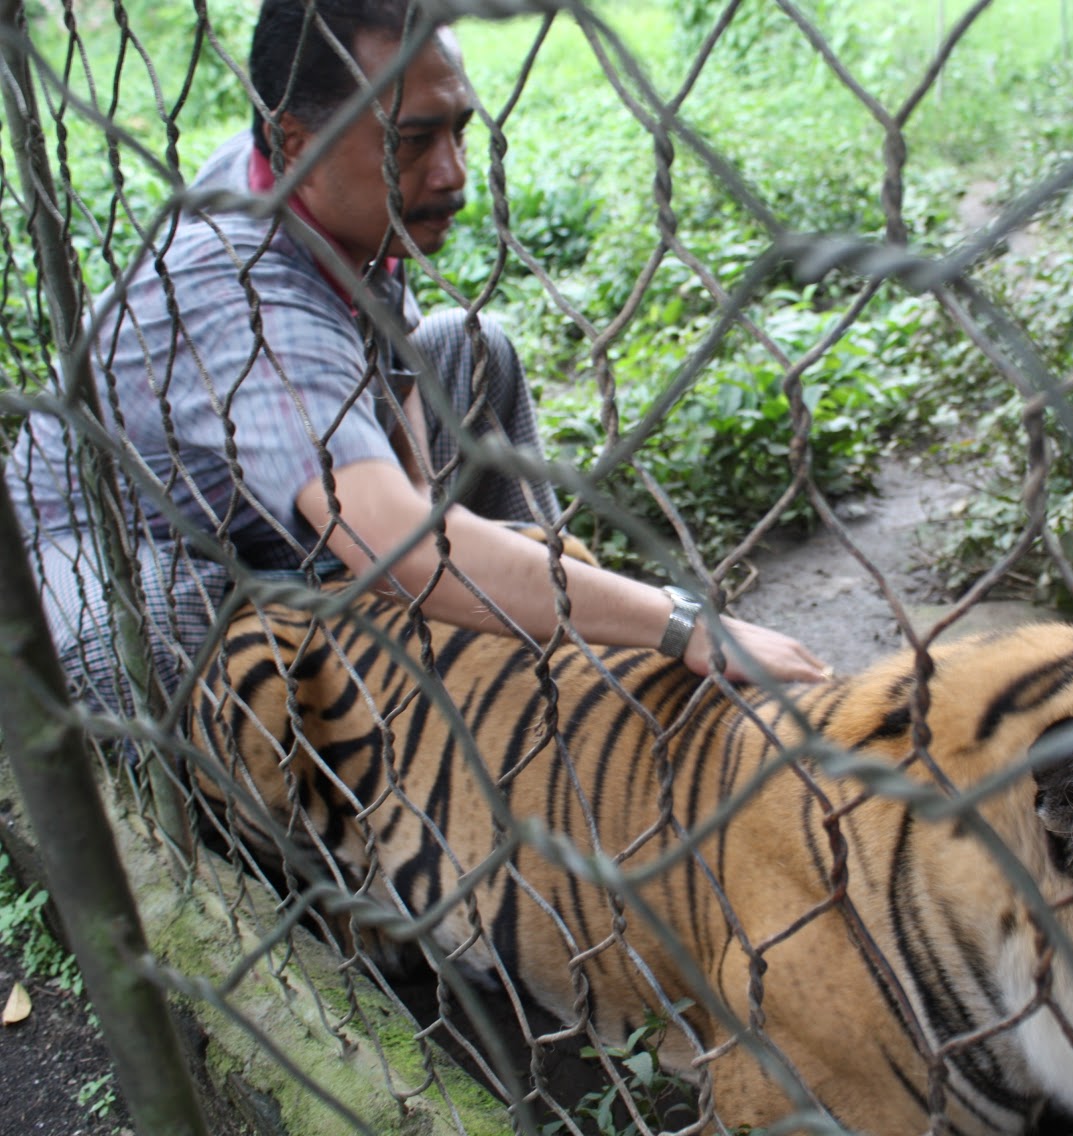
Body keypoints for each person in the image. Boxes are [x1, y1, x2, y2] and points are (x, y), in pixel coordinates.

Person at [4, 0, 829, 723]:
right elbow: (397, 543)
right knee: (156, 628)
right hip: (131, 554)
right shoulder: (243, 287)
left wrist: (449, 532)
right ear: (296, 141)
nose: (455, 174)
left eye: (459, 129)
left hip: (282, 498)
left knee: (476, 351)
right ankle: (274, 862)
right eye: (414, 141)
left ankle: (565, 653)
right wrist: (683, 621)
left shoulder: (313, 174)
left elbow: (395, 369)